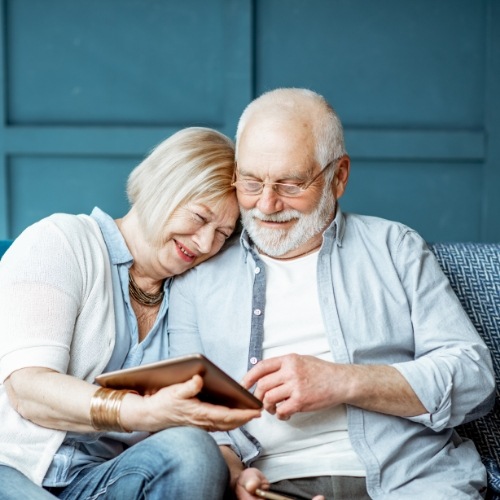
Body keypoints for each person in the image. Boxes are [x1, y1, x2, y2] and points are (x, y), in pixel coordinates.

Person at [167, 89, 496, 499]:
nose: (266, 205)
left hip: (410, 481)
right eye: (251, 182)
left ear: (338, 176)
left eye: (290, 183)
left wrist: (342, 381)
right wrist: (233, 473)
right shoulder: (197, 276)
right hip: (274, 489)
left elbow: (474, 378)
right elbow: (190, 410)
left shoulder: (395, 247)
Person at [0, 127, 261, 500]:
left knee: (191, 451)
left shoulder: (191, 296)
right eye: (200, 218)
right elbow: (29, 390)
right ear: (161, 187)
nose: (205, 244)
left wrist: (237, 475)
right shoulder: (62, 240)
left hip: (101, 480)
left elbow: (204, 424)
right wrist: (140, 412)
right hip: (12, 465)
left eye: (221, 233)